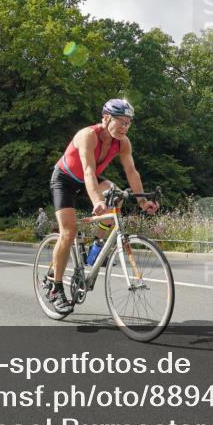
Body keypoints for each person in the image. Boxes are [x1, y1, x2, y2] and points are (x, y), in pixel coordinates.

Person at [45, 99, 160, 315]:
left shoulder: (123, 143)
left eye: (128, 123)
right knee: (69, 232)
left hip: (87, 180)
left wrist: (142, 201)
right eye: (121, 122)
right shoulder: (88, 135)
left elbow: (131, 172)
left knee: (117, 197)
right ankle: (55, 288)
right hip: (65, 180)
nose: (125, 127)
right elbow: (88, 170)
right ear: (106, 118)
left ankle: (96, 248)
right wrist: (97, 201)